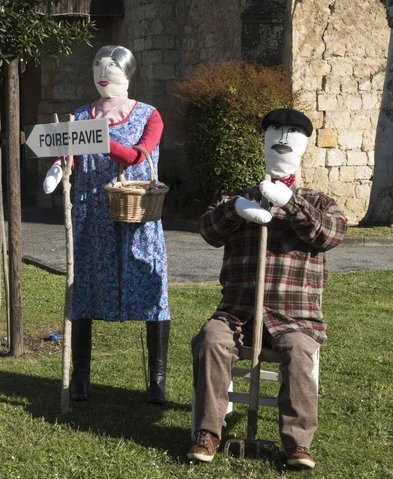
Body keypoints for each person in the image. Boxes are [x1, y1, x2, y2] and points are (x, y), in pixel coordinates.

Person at [187, 108, 347, 468]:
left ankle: (297, 444)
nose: (283, 137)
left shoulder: (321, 203)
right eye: (276, 130)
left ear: (303, 145)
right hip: (238, 313)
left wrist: (290, 204)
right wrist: (236, 209)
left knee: (300, 353)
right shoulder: (238, 197)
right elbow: (208, 231)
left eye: (292, 132)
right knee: (211, 339)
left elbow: (329, 235)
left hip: (295, 317)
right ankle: (209, 432)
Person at [43, 45, 171, 404]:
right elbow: (65, 152)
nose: (103, 73)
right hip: (92, 214)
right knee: (84, 289)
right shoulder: (81, 114)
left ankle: (156, 379)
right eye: (98, 66)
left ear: (127, 74)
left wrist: (95, 136)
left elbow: (136, 155)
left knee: (153, 292)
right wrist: (59, 165)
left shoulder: (149, 115)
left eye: (111, 67)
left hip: (137, 216)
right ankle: (81, 376)